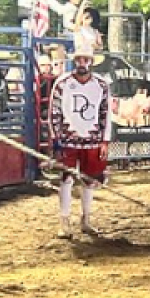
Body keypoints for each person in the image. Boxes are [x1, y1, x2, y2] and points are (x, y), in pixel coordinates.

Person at [48, 47, 112, 238]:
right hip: (68, 138)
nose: (82, 63)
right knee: (66, 179)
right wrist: (56, 136)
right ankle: (64, 221)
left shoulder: (101, 85)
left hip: (92, 139)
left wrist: (104, 140)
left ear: (91, 62)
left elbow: (105, 113)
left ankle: (86, 219)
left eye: (86, 60)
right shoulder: (62, 83)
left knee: (89, 179)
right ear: (74, 61)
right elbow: (54, 111)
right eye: (79, 60)